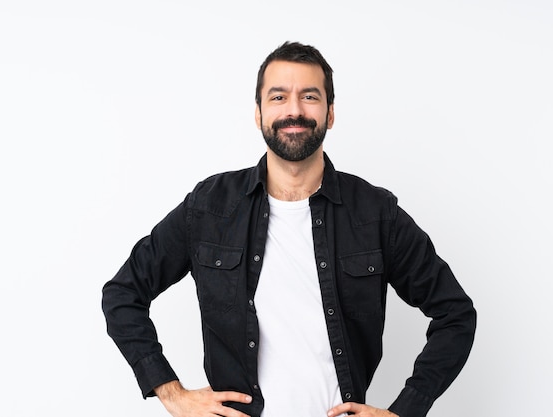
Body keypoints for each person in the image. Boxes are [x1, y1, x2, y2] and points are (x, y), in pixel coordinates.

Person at [102, 41, 476, 417]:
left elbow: (455, 314)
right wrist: (172, 393)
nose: (294, 110)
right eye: (278, 97)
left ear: (330, 113)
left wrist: (406, 410)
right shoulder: (209, 207)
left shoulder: (376, 214)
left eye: (309, 96)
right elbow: (123, 294)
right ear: (259, 112)